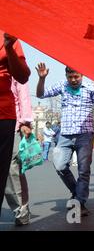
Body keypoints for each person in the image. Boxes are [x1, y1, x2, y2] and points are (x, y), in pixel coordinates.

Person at [36, 63, 94, 216]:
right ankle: (77, 192)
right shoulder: (62, 86)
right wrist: (42, 79)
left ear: (82, 75)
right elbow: (40, 94)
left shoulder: (90, 88)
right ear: (66, 77)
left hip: (85, 134)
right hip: (65, 135)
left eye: (76, 76)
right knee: (60, 166)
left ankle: (80, 202)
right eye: (70, 77)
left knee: (84, 170)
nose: (73, 80)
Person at [0, 33, 30, 218]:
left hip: (4, 116)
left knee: (8, 170)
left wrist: (9, 48)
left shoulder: (8, 34)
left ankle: (21, 209)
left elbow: (23, 80)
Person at [5, 79, 33, 226]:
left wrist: (26, 121)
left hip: (10, 123)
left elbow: (23, 94)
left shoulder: (11, 60)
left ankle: (21, 210)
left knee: (12, 169)